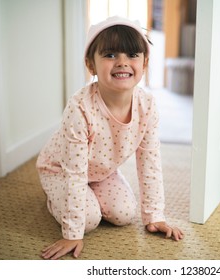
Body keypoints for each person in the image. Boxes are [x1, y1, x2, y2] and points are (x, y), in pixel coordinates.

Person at [36, 16, 184, 260]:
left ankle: (89, 195)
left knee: (124, 214)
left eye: (132, 55)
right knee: (87, 221)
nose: (122, 63)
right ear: (91, 65)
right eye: (111, 55)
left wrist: (155, 215)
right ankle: (54, 198)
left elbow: (150, 163)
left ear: (145, 63)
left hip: (101, 171)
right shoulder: (80, 107)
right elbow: (74, 172)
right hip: (61, 170)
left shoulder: (147, 105)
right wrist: (72, 232)